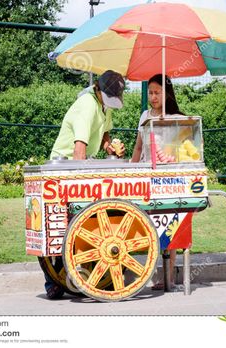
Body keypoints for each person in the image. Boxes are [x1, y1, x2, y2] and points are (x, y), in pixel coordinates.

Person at [45, 70, 126, 299]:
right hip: (64, 166)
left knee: (81, 223)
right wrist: (83, 179)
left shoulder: (103, 105)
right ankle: (54, 280)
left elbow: (104, 134)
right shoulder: (87, 105)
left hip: (80, 165)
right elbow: (79, 148)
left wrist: (110, 148)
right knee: (62, 225)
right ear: (97, 89)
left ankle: (78, 275)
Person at [131, 74, 183, 290]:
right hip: (145, 176)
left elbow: (182, 149)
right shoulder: (145, 115)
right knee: (150, 226)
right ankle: (155, 273)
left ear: (166, 93)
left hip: (168, 178)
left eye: (157, 92)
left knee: (170, 225)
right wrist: (131, 169)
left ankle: (169, 277)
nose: (152, 97)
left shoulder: (176, 117)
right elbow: (138, 146)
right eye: (150, 93)